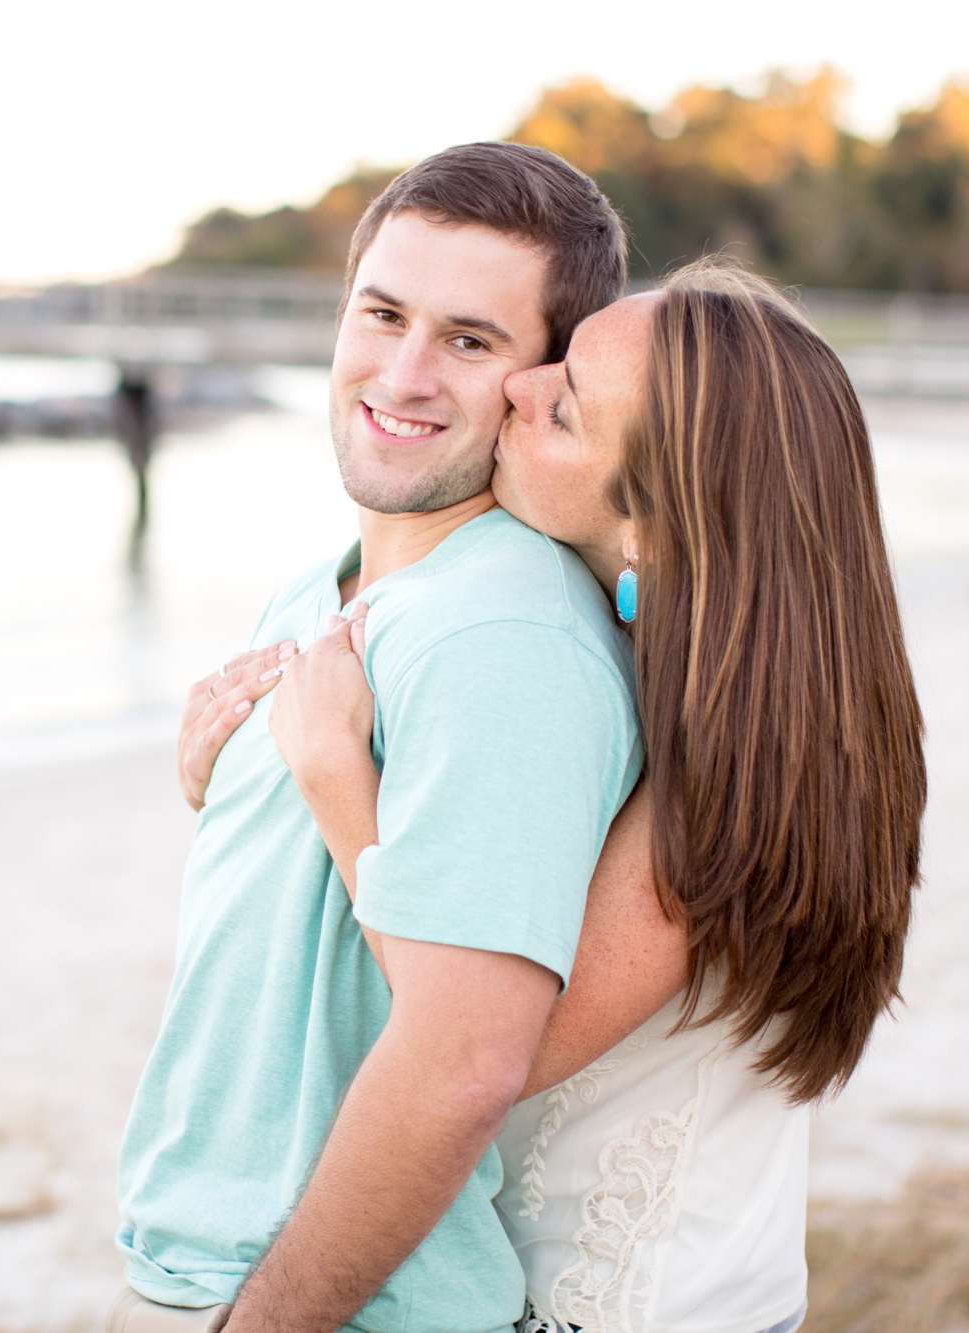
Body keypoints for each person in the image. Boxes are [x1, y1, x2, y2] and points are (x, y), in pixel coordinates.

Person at [244, 260, 926, 1333]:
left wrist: (333, 777)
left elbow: (475, 1043)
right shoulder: (747, 705)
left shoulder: (718, 795)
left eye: (560, 407)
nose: (518, 386)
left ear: (651, 527)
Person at [111, 141, 646, 1333]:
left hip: (333, 1302)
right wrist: (234, 786)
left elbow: (465, 1061)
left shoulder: (500, 636)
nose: (401, 374)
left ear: (535, 378)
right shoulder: (324, 587)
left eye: (467, 339)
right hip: (197, 1263)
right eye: (381, 314)